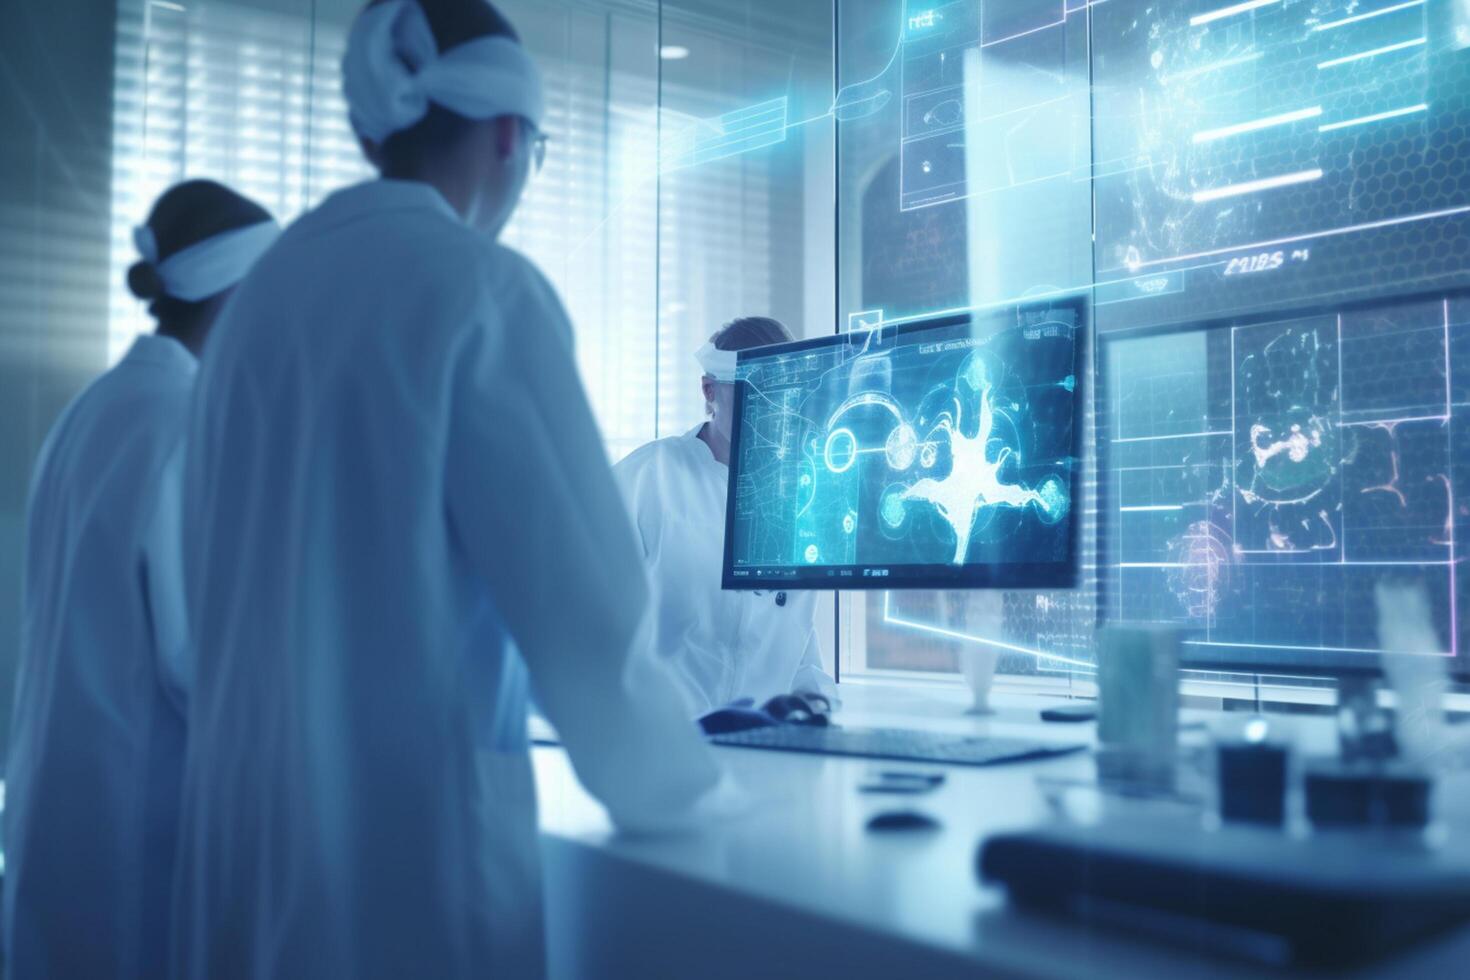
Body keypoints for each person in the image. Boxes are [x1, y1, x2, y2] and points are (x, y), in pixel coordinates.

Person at [168, 2, 729, 977]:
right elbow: (592, 624)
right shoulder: (480, 289)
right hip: (402, 872)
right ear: (513, 135)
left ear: (367, 130)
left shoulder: (253, 310)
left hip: (245, 859)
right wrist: (685, 789)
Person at [3, 180, 279, 979]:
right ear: (241, 291)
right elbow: (199, 662)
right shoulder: (188, 424)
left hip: (57, 823)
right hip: (138, 839)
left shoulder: (95, 408)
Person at [615, 317, 840, 716]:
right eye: (752, 394)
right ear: (710, 390)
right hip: (669, 744)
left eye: (782, 397)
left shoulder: (799, 498)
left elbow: (802, 654)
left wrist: (815, 712)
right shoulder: (648, 477)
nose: (770, 414)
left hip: (766, 749)